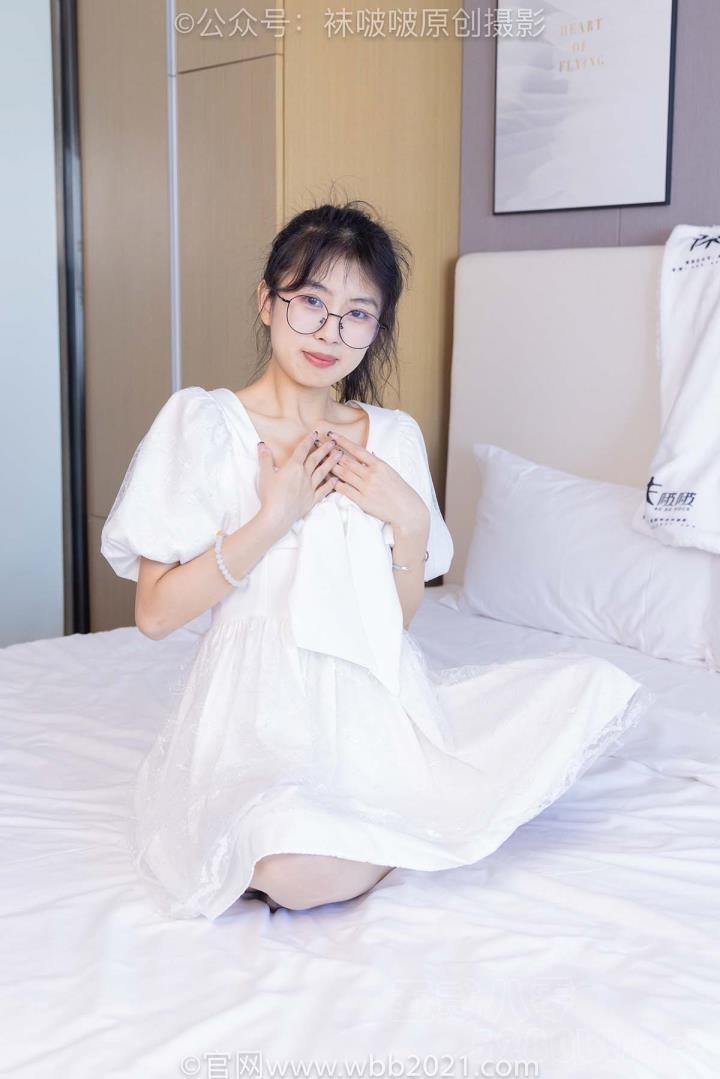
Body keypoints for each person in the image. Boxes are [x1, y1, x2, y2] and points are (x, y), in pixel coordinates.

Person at [101, 199, 652, 920]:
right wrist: (274, 519)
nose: (330, 331)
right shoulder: (205, 425)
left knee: (585, 687)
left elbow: (395, 622)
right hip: (257, 712)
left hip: (376, 705)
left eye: (357, 313)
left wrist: (411, 522)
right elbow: (154, 614)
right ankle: (427, 833)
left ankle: (420, 816)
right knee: (286, 868)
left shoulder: (391, 438)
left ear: (377, 327)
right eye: (310, 301)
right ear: (267, 301)